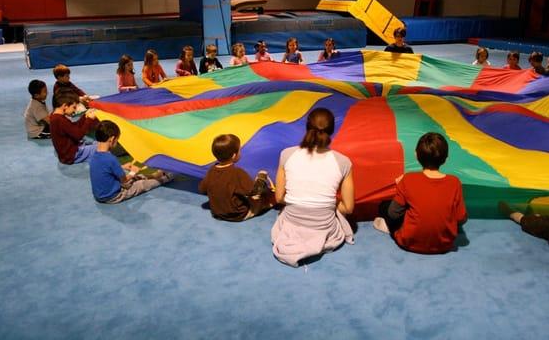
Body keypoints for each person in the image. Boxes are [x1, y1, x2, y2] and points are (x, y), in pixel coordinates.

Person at [271, 108, 354, 267]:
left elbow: (279, 197)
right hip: (323, 226)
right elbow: (349, 208)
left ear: (307, 127)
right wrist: (329, 204)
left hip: (292, 221)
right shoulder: (343, 161)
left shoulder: (287, 154)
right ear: (332, 130)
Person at [373, 132, 467, 254]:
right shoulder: (454, 182)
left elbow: (393, 214)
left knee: (385, 206)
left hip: (408, 242)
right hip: (444, 244)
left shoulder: (408, 179)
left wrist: (400, 186)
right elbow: (461, 218)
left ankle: (388, 227)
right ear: (446, 158)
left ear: (416, 155)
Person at [89, 120, 174, 203]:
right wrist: (133, 172)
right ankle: (165, 178)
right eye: (117, 140)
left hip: (100, 195)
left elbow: (104, 169)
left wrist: (122, 167)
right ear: (112, 139)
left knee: (135, 178)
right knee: (141, 184)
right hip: (114, 196)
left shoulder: (95, 155)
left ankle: (155, 175)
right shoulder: (110, 158)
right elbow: (124, 180)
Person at [199, 134, 275, 222]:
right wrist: (262, 179)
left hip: (217, 212)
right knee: (266, 198)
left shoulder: (211, 170)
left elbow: (202, 189)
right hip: (238, 214)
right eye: (240, 150)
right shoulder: (238, 173)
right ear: (234, 156)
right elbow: (254, 192)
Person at [50, 91, 99, 164]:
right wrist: (89, 119)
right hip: (72, 155)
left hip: (69, 152)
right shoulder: (59, 120)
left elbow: (73, 127)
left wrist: (84, 116)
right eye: (74, 107)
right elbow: (79, 135)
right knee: (103, 147)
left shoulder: (55, 116)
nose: (75, 110)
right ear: (65, 106)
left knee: (96, 143)